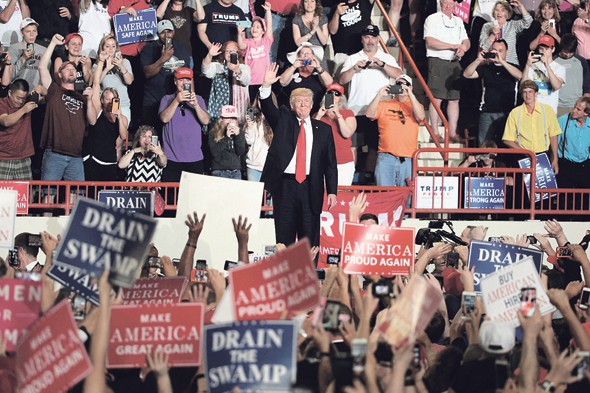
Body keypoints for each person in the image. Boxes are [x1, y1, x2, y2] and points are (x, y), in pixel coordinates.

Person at [259, 63, 337, 248]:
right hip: (285, 186)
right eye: (299, 101)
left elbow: (330, 163)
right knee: (284, 239)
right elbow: (267, 107)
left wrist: (332, 190)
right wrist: (266, 86)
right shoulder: (283, 121)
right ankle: (285, 275)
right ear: (292, 105)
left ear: (312, 104)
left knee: (309, 242)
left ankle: (311, 277)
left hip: (312, 188)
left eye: (307, 101)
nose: (303, 104)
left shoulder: (324, 130)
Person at [339, 24, 402, 179]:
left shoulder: (386, 58)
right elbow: (341, 80)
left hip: (380, 111)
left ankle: (369, 179)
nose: (370, 40)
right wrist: (354, 68)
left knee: (375, 147)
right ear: (362, 39)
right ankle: (348, 180)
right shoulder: (353, 58)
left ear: (378, 39)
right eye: (367, 37)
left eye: (373, 37)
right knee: (353, 146)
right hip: (356, 110)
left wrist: (382, 65)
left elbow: (399, 75)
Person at [38, 34, 97, 186]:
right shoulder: (54, 91)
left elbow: (92, 120)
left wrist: (90, 100)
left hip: (76, 156)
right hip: (54, 153)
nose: (71, 71)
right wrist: (52, 43)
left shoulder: (83, 97)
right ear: (59, 74)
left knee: (75, 197)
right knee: (48, 194)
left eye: (73, 69)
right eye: (67, 69)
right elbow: (42, 67)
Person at [365, 74, 425, 198]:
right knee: (384, 196)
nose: (401, 87)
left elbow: (421, 117)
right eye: (398, 84)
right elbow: (369, 114)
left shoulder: (415, 105)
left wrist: (411, 95)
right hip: (386, 156)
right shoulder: (384, 104)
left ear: (410, 88)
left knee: (408, 196)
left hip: (408, 158)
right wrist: (379, 95)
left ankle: (407, 217)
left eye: (405, 84)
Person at [424, 0, 470, 143]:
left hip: (455, 62)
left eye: (451, 3)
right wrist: (453, 46)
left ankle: (453, 133)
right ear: (440, 3)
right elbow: (430, 42)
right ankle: (435, 132)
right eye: (445, 3)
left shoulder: (458, 21)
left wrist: (464, 48)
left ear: (455, 5)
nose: (448, 6)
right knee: (437, 98)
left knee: (454, 99)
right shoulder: (432, 19)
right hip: (438, 60)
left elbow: (466, 40)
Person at [463, 39, 523, 145]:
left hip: (507, 112)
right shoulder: (486, 68)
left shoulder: (512, 67)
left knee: (505, 144)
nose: (497, 53)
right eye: (495, 50)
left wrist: (502, 62)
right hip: (487, 111)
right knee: (484, 145)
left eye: (500, 51)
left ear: (506, 52)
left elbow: (519, 75)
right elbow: (467, 74)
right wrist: (478, 60)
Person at [159, 67, 210, 181]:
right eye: (181, 80)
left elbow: (206, 120)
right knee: (172, 196)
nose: (184, 83)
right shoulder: (167, 99)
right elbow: (164, 119)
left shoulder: (199, 99)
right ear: (175, 81)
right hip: (172, 158)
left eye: (187, 80)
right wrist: (176, 101)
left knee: (193, 196)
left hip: (194, 159)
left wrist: (196, 105)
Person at [140, 19, 191, 129]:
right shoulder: (148, 49)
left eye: (169, 31)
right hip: (153, 100)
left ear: (173, 32)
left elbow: (188, 75)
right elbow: (147, 73)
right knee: (150, 135)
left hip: (174, 100)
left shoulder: (182, 48)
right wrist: (162, 59)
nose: (166, 35)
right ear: (158, 34)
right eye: (163, 32)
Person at [502, 80, 561, 174]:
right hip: (522, 156)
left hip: (543, 155)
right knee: (522, 187)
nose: (528, 95)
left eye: (530, 92)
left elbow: (553, 136)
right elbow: (507, 139)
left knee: (542, 188)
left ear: (536, 93)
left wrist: (555, 159)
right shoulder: (515, 113)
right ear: (521, 95)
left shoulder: (547, 110)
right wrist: (524, 152)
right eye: (525, 92)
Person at [0, 79, 45, 180]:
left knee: (25, 193)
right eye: (18, 98)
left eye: (23, 98)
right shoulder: (2, 103)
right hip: (3, 157)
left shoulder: (28, 101)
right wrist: (23, 110)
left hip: (24, 157)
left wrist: (40, 88)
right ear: (9, 92)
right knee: (3, 193)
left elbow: (47, 95)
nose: (20, 101)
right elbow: (6, 121)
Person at [314, 83, 356, 186]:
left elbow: (347, 133)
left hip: (343, 161)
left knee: (342, 194)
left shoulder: (348, 113)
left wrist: (338, 114)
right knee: (322, 195)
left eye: (337, 94)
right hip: (323, 161)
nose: (333, 96)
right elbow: (310, 136)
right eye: (330, 93)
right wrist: (319, 116)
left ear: (341, 98)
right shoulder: (318, 114)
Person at [84, 86, 129, 181]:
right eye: (107, 99)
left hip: (110, 160)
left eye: (113, 99)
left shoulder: (122, 118)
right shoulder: (98, 112)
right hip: (94, 159)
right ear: (102, 100)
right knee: (91, 193)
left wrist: (119, 116)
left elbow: (123, 135)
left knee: (106, 193)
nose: (110, 102)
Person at [202, 40, 251, 123]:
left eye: (234, 51)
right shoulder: (218, 66)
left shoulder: (244, 67)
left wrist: (237, 70)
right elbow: (205, 71)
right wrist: (209, 55)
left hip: (238, 111)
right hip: (219, 111)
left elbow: (246, 80)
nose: (230, 53)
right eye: (227, 51)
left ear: (238, 53)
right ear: (223, 53)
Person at [279, 42, 332, 115]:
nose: (306, 55)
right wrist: (294, 66)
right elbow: (282, 82)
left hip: (315, 114)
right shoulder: (292, 73)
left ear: (313, 56)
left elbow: (329, 84)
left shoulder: (318, 75)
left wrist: (319, 68)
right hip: (292, 114)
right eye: (303, 53)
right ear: (298, 56)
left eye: (309, 53)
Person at [93, 35, 134, 122]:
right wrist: (107, 68)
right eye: (107, 46)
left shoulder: (125, 62)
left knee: (121, 134)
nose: (111, 49)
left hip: (122, 105)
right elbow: (96, 82)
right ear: (102, 48)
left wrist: (121, 65)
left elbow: (129, 81)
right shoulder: (97, 65)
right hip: (105, 106)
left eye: (113, 46)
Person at [478, 0, 532, 67]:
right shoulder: (487, 26)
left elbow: (528, 22)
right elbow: (483, 47)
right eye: (497, 10)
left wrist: (521, 6)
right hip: (491, 65)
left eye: (503, 10)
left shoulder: (512, 25)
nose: (499, 13)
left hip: (510, 64)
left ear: (507, 14)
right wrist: (493, 35)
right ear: (493, 13)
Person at [237, 2, 273, 100]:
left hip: (264, 80)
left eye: (258, 27)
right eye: (253, 26)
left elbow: (269, 26)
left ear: (263, 31)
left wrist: (268, 11)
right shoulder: (248, 42)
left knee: (263, 105)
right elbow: (240, 45)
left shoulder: (266, 41)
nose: (254, 28)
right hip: (251, 80)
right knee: (251, 105)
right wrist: (239, 34)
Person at [328, 0, 374, 75]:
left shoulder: (365, 2)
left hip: (362, 52)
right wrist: (336, 14)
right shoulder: (337, 7)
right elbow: (332, 31)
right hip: (342, 53)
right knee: (341, 83)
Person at [523, 34, 565, 113]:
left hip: (550, 111)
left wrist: (547, 66)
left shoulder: (559, 67)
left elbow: (556, 86)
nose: (543, 51)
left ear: (553, 49)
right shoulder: (533, 65)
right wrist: (527, 65)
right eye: (541, 48)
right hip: (533, 110)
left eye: (546, 48)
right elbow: (524, 86)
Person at [556, 96, 590, 188]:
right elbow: (555, 145)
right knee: (565, 198)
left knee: (583, 198)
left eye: (578, 109)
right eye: (574, 107)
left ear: (586, 113)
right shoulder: (562, 121)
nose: (574, 110)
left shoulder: (589, 124)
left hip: (584, 165)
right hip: (566, 164)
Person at [553, 33, 590, 117]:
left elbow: (587, 85)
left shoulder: (581, 61)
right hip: (558, 105)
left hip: (577, 106)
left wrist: (585, 105)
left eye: (571, 52)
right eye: (565, 52)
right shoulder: (553, 61)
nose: (568, 55)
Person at [208, 104, 246, 179]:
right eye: (228, 118)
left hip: (236, 171)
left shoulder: (239, 132)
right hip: (219, 171)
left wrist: (237, 135)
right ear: (221, 118)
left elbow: (240, 152)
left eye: (233, 118)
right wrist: (227, 137)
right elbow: (214, 152)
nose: (231, 121)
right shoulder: (213, 132)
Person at [8, 18, 45, 91]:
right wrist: (23, 58)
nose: (32, 34)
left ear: (37, 32)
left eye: (34, 31)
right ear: (21, 33)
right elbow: (10, 76)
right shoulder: (14, 49)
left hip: (36, 92)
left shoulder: (43, 50)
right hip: (18, 92)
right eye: (28, 31)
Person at [245, 93, 274, 182]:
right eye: (259, 99)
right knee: (254, 195)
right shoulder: (254, 118)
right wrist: (250, 125)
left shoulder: (276, 118)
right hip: (253, 166)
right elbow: (249, 141)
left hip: (270, 166)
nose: (261, 102)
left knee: (269, 195)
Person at [292, 0, 329, 70]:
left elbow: (324, 41)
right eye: (306, 1)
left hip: (319, 56)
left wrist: (316, 27)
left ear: (316, 3)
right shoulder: (297, 20)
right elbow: (298, 42)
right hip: (304, 56)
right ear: (303, 4)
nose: (309, 4)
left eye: (312, 1)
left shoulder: (323, 18)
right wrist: (311, 32)